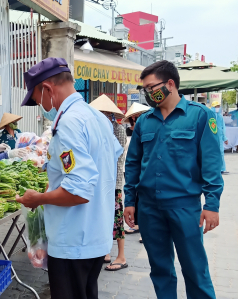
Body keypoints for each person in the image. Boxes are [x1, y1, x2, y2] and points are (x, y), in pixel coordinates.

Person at [16, 57, 123, 299]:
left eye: (37, 100)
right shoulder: (98, 119)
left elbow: (77, 191)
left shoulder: (68, 124)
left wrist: (38, 198)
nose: (41, 106)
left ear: (47, 89)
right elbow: (105, 163)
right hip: (96, 234)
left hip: (74, 240)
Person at [124, 60, 223, 299]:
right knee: (160, 269)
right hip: (148, 208)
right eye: (145, 89)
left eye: (151, 87)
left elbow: (211, 164)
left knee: (195, 269)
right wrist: (129, 200)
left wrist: (212, 205)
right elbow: (133, 163)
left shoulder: (200, 116)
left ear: (170, 83)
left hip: (184, 207)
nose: (148, 93)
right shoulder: (144, 122)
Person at [89, 94, 128, 271]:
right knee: (102, 216)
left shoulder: (117, 130)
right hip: (99, 180)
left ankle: (121, 255)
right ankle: (106, 251)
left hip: (113, 180)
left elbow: (113, 156)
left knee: (116, 217)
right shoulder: (96, 129)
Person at [122, 102, 150, 241]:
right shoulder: (128, 131)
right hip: (130, 167)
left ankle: (144, 228)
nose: (136, 119)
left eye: (138, 116)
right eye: (134, 117)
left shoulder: (149, 129)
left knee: (143, 197)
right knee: (134, 195)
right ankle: (139, 224)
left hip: (144, 169)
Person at [211, 101, 228, 174]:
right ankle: (213, 168)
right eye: (216, 107)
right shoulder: (210, 116)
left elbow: (223, 128)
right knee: (212, 153)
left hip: (220, 137)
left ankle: (222, 168)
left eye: (218, 106)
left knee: (221, 153)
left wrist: (225, 138)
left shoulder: (220, 116)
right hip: (211, 138)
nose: (217, 108)